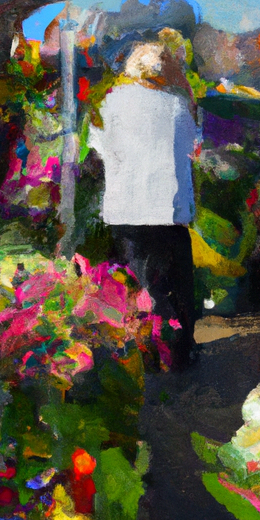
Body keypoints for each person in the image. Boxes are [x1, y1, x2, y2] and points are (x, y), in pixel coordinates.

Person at [87, 29, 199, 369]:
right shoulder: (179, 106)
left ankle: (142, 355)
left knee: (136, 289)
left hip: (126, 210)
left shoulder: (111, 102)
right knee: (176, 289)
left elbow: (100, 151)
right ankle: (178, 354)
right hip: (170, 210)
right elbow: (193, 150)